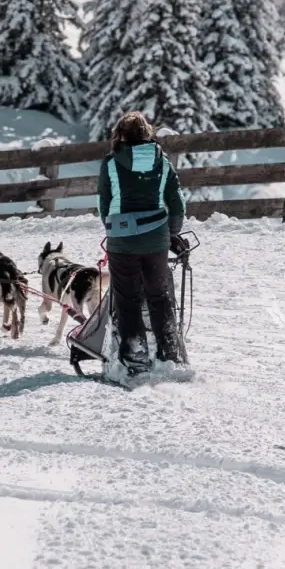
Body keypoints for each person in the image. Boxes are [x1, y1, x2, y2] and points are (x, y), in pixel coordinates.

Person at [97, 111, 188, 376]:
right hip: (156, 239)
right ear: (147, 133)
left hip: (121, 241)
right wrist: (171, 233)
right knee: (160, 297)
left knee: (127, 300)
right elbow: (177, 202)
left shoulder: (111, 163)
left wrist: (113, 228)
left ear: (120, 135)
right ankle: (172, 353)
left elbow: (104, 202)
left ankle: (136, 357)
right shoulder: (163, 161)